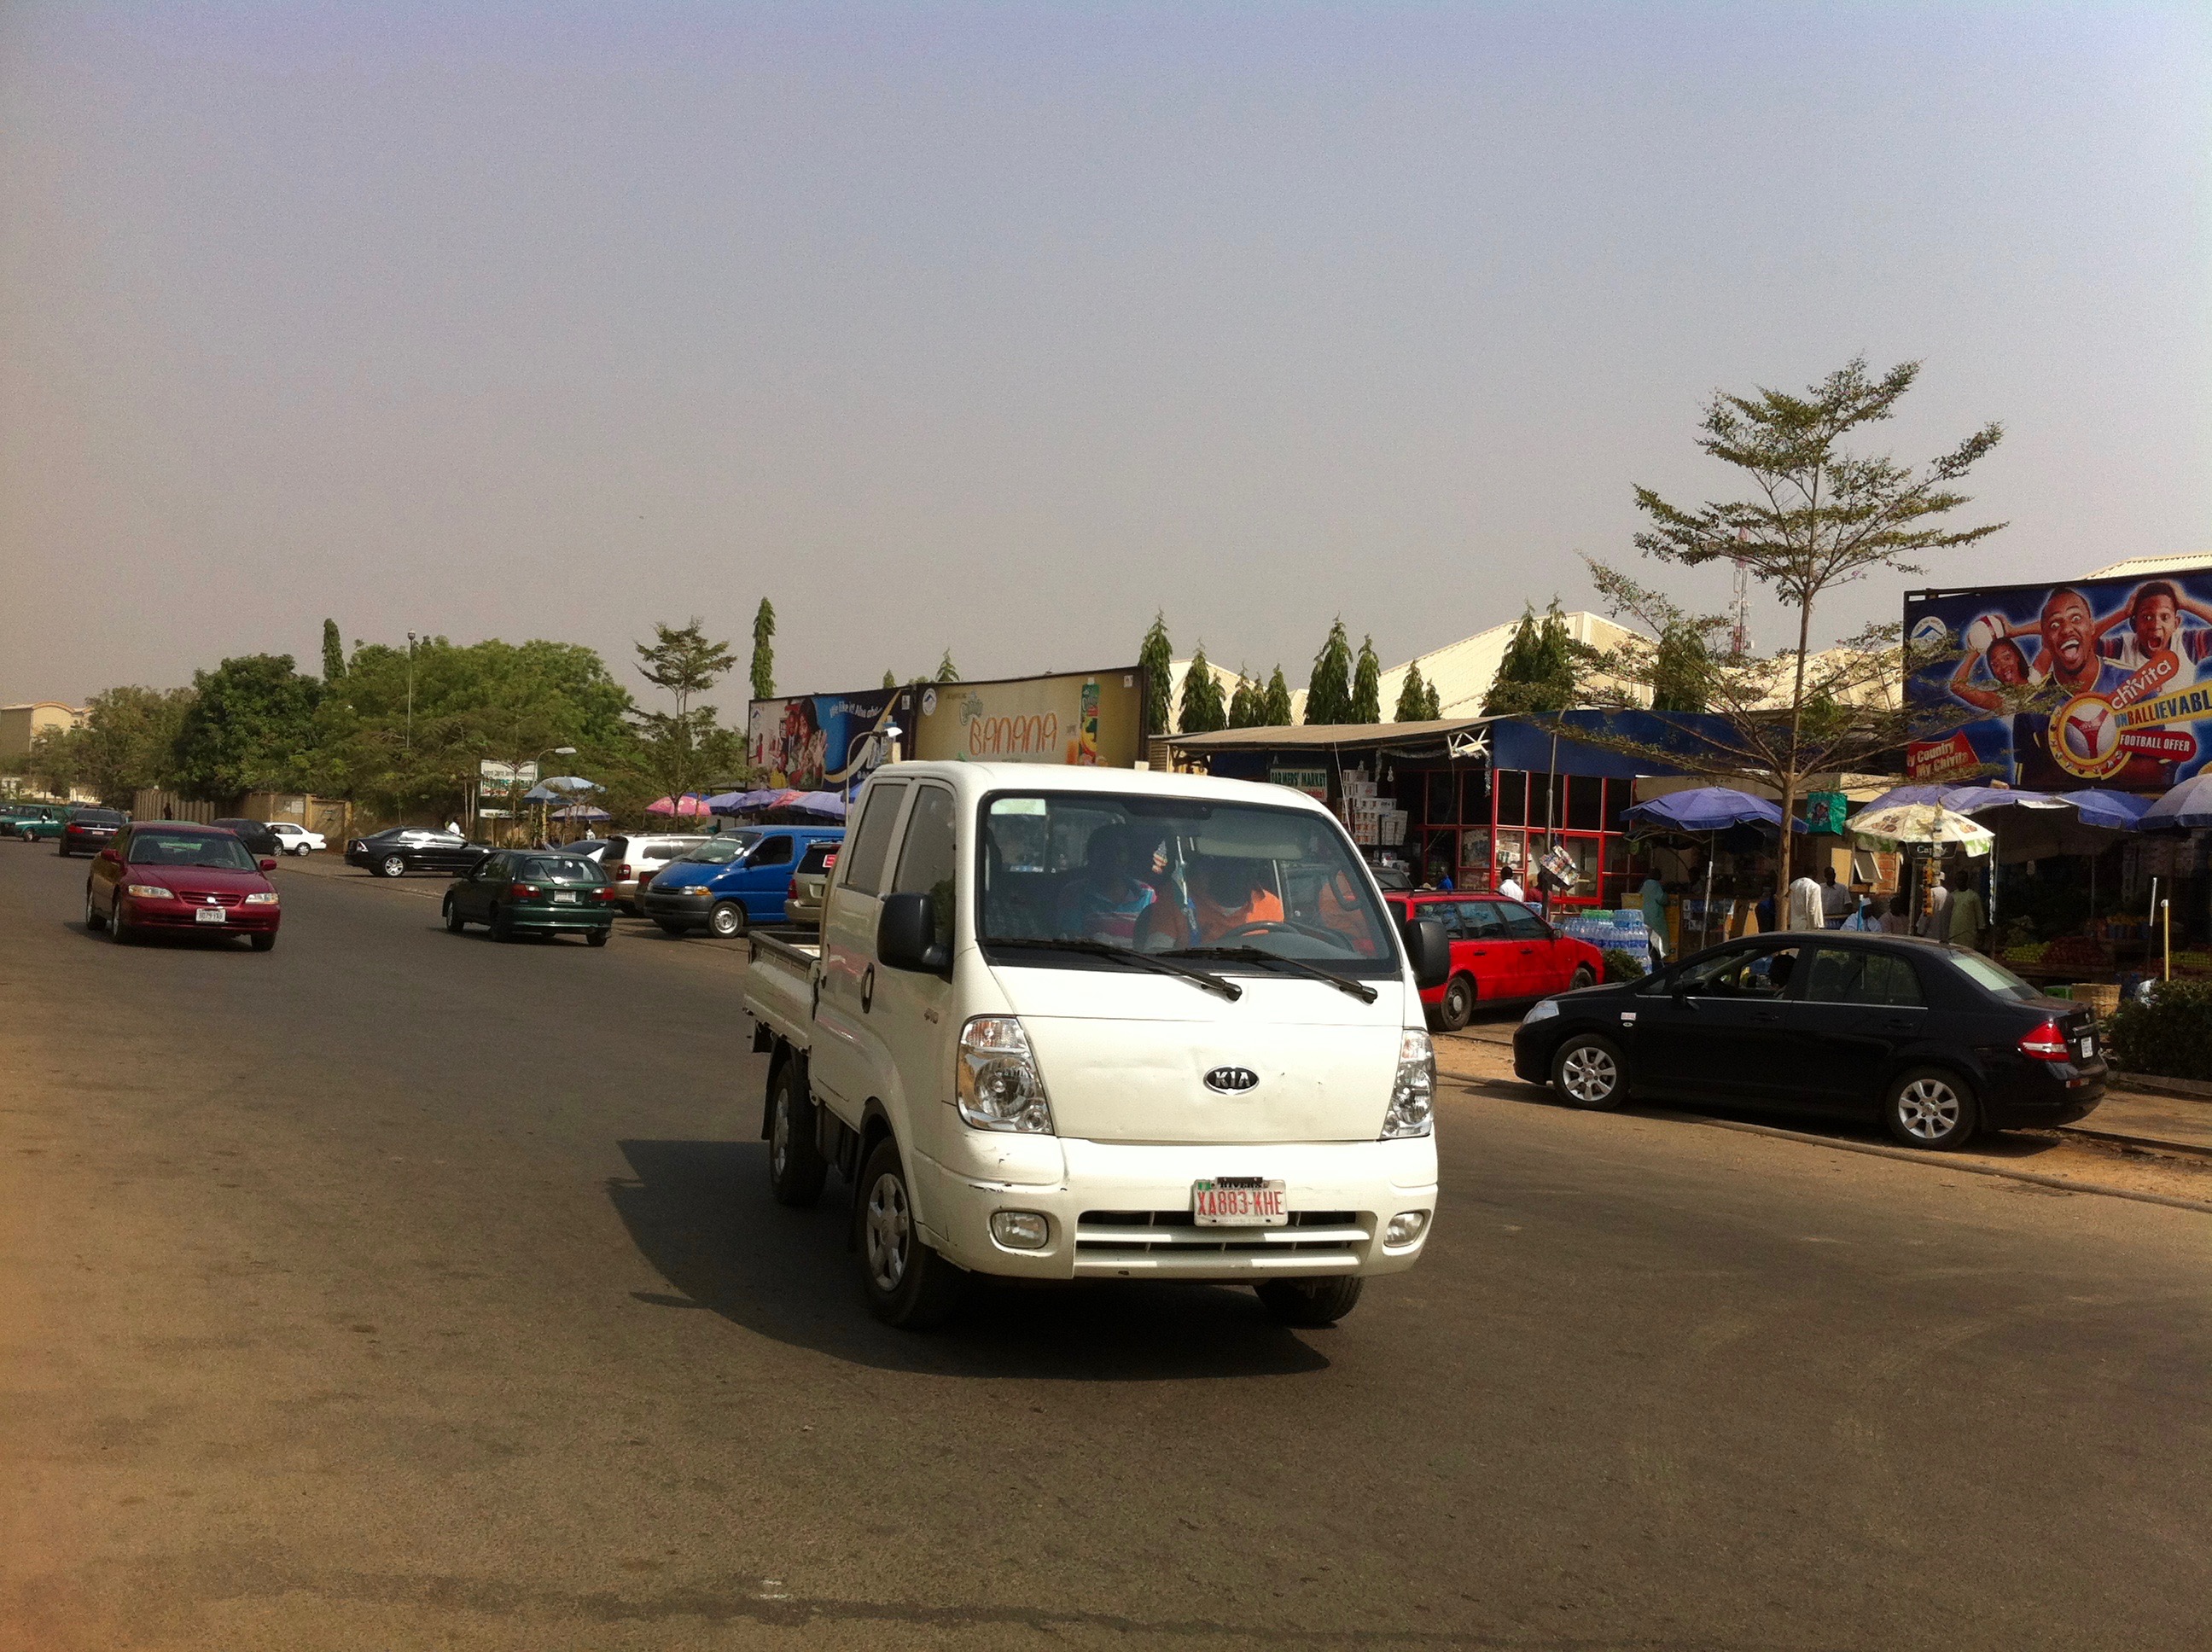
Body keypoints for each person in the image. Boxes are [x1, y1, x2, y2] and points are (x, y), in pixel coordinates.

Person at [1053, 826, 1158, 946]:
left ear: (1129, 856)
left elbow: (1152, 943)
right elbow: (1071, 942)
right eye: (1106, 851)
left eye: (1120, 851)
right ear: (1091, 857)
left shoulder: (1147, 894)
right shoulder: (1074, 893)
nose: (1113, 858)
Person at [1185, 858, 1285, 946]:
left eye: (1250, 866)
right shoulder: (1182, 902)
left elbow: (1278, 951)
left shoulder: (1270, 904)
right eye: (1231, 865)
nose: (1240, 873)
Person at [1947, 874, 1987, 952]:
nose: (1958, 882)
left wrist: (1981, 930)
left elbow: (1979, 915)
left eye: (1960, 880)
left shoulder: (1973, 896)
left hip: (1968, 932)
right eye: (1957, 880)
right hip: (1953, 932)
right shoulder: (1952, 896)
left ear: (1965, 881)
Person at [1639, 873, 1668, 969]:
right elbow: (1661, 899)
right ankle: (1660, 960)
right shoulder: (1655, 885)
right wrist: (1666, 895)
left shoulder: (1644, 885)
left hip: (1644, 916)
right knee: (1659, 938)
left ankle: (1649, 959)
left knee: (1648, 940)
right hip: (1655, 917)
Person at [1786, 865, 1824, 931]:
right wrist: (1814, 927)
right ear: (1815, 872)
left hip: (1794, 925)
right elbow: (1812, 910)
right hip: (1807, 926)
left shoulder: (1794, 884)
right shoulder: (1814, 887)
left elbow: (1789, 906)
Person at [1819, 866, 1854, 930]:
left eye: (1832, 875)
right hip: (1823, 919)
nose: (1830, 877)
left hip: (1837, 920)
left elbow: (1848, 904)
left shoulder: (1842, 888)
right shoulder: (1819, 888)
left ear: (1835, 875)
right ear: (1825, 876)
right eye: (1828, 875)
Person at [1918, 874, 1953, 942]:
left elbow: (1926, 915)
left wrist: (1920, 932)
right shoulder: (1949, 895)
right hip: (1944, 937)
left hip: (1929, 936)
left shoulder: (1931, 893)